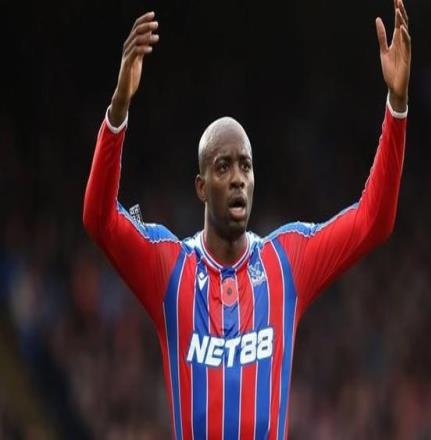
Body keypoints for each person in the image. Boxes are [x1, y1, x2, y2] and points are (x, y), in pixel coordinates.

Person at [83, 0, 411, 438]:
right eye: (223, 167)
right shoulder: (169, 269)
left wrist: (396, 106)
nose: (238, 178)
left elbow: (375, 221)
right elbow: (98, 219)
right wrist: (119, 109)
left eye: (246, 166)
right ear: (201, 187)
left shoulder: (287, 261)